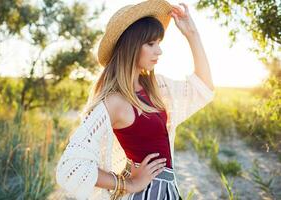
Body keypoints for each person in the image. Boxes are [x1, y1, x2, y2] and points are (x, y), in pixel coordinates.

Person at [55, 0, 215, 199]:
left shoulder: (155, 87)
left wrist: (192, 34)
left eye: (159, 43)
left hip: (168, 191)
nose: (159, 51)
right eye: (151, 44)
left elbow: (204, 88)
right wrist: (128, 183)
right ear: (131, 46)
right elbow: (71, 167)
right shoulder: (114, 101)